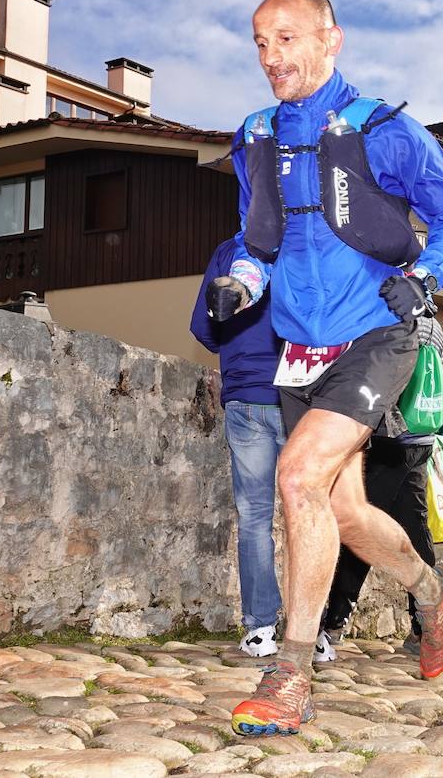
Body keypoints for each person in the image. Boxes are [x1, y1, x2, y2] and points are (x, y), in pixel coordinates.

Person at [217, 0, 443, 736]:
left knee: (295, 476)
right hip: (300, 345)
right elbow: (257, 238)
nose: (272, 56)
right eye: (260, 41)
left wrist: (427, 277)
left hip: (376, 331)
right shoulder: (255, 135)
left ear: (332, 40)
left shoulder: (385, 131)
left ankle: (290, 675)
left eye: (288, 38)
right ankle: (433, 592)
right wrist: (245, 280)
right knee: (341, 508)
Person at [318, 316, 443, 659]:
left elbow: (374, 377)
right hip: (422, 437)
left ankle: (334, 622)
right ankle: (427, 627)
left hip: (388, 437)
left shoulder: (383, 318)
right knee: (416, 528)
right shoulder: (434, 325)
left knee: (360, 526)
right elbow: (441, 380)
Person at [190, 239, 287, 659]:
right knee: (315, 514)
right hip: (300, 398)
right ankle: (318, 630)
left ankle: (261, 631)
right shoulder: (305, 240)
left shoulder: (229, 252)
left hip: (246, 396)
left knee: (254, 519)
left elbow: (203, 328)